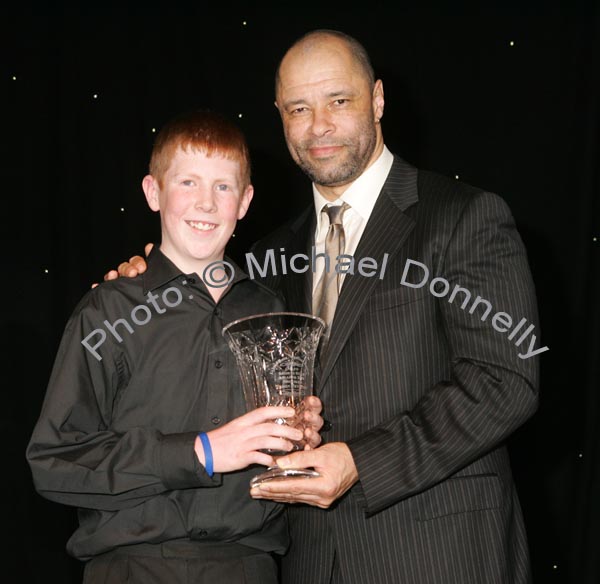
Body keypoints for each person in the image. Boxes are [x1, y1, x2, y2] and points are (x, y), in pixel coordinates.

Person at [108, 30, 544, 584]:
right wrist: (146, 280)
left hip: (440, 553)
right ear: (280, 116)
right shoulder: (266, 256)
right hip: (307, 560)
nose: (319, 126)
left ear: (378, 100)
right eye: (299, 108)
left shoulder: (465, 217)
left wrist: (360, 461)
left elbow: (506, 379)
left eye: (339, 101)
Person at [26, 110, 323, 584]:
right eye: (188, 182)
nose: (206, 203)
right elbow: (55, 463)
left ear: (244, 201)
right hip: (132, 566)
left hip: (249, 568)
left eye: (223, 187)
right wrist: (201, 452)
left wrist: (306, 432)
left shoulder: (273, 311)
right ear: (153, 192)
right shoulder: (107, 311)